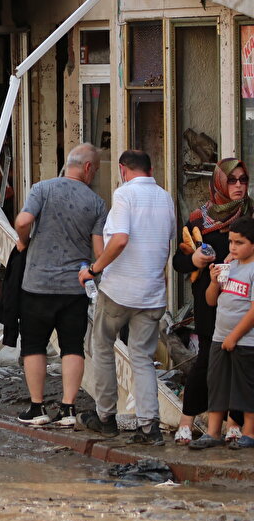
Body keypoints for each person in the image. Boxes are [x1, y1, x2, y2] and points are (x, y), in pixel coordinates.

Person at [77, 150, 177, 445]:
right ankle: (150, 427)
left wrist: (94, 269)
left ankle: (106, 418)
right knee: (142, 358)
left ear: (122, 170)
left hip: (119, 290)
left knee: (102, 347)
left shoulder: (124, 195)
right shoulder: (165, 197)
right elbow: (165, 242)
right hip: (152, 293)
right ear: (151, 168)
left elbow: (120, 239)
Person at [12, 143, 107, 427]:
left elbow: (23, 220)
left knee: (34, 345)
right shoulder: (97, 203)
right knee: (72, 347)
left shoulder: (43, 189)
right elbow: (100, 253)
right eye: (97, 170)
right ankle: (68, 409)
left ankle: (37, 408)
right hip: (74, 287)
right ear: (88, 167)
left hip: (37, 285)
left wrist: (23, 239)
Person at [171, 158, 250, 444]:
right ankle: (186, 421)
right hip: (210, 299)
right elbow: (178, 260)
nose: (239, 185)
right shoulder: (199, 219)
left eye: (243, 180)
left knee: (242, 364)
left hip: (243, 299)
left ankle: (234, 425)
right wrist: (194, 259)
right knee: (207, 362)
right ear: (219, 183)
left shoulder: (251, 215)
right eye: (232, 180)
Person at [193, 215, 254, 450]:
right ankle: (213, 432)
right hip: (220, 336)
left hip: (245, 340)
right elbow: (211, 301)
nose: (233, 247)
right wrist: (213, 282)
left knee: (245, 387)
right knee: (216, 384)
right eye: (231, 242)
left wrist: (234, 337)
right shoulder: (230, 267)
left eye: (239, 243)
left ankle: (249, 432)